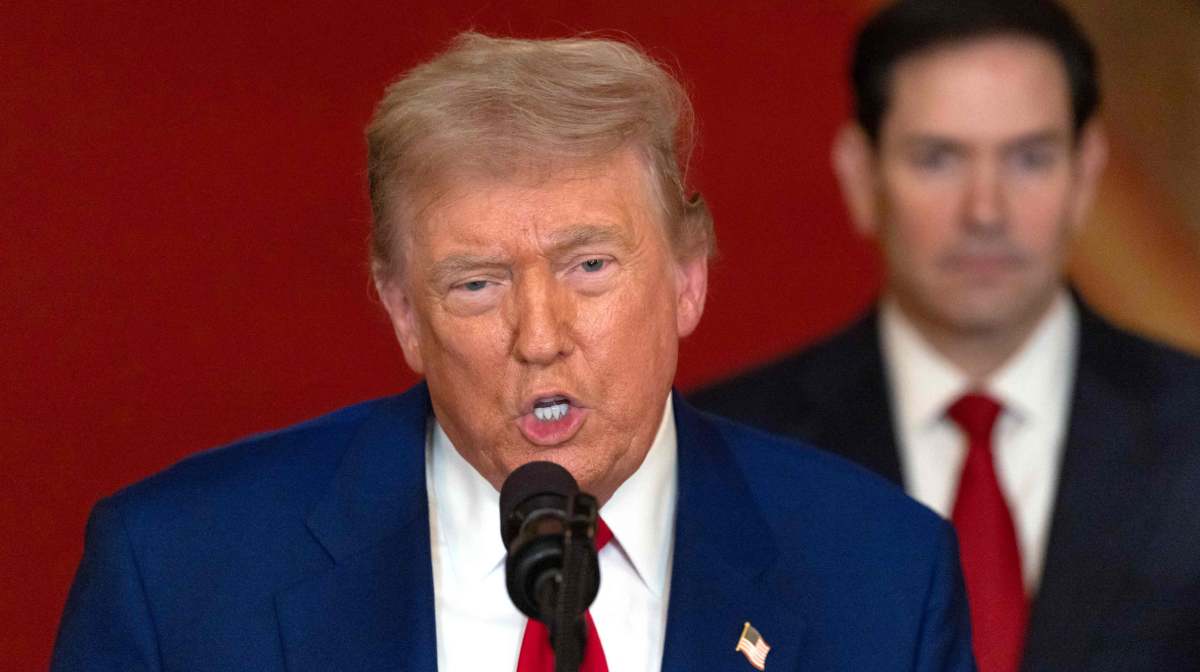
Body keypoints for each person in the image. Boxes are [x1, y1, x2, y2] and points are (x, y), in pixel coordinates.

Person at [52, 32, 974, 671]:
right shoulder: (178, 579)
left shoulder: (881, 578)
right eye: (477, 284)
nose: (539, 338)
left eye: (589, 266)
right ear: (403, 313)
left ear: (687, 278)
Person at [691, 1, 1200, 671]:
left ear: (1085, 174)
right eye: (937, 159)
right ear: (861, 175)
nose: (985, 211)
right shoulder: (726, 455)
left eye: (1030, 159)